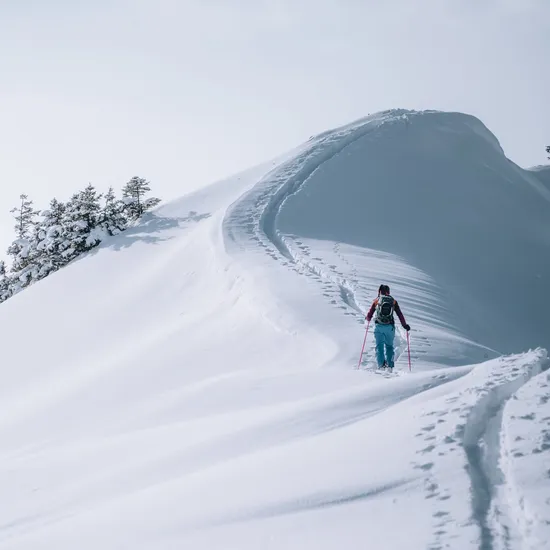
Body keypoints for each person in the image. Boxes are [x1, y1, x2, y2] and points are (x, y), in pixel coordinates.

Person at [365, 284, 410, 370]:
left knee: (379, 347)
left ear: (379, 291)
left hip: (379, 327)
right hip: (390, 327)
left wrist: (367, 318)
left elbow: (369, 314)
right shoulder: (393, 301)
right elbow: (400, 314)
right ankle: (390, 365)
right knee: (389, 346)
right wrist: (404, 325)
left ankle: (381, 365)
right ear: (388, 291)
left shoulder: (376, 301)